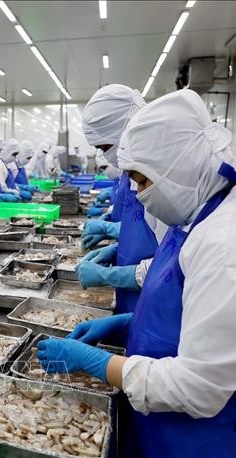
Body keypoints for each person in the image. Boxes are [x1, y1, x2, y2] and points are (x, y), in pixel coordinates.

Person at [37, 89, 236, 458]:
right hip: (167, 429)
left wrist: (98, 364)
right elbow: (188, 299)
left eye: (141, 180)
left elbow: (198, 388)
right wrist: (131, 325)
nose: (137, 193)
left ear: (175, 168)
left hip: (204, 444)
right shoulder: (201, 215)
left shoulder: (230, 247)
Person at [76, 84, 155, 314]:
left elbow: (174, 265)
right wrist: (118, 248)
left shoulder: (161, 176)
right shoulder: (136, 169)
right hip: (131, 290)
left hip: (149, 296)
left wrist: (109, 275)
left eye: (104, 146)